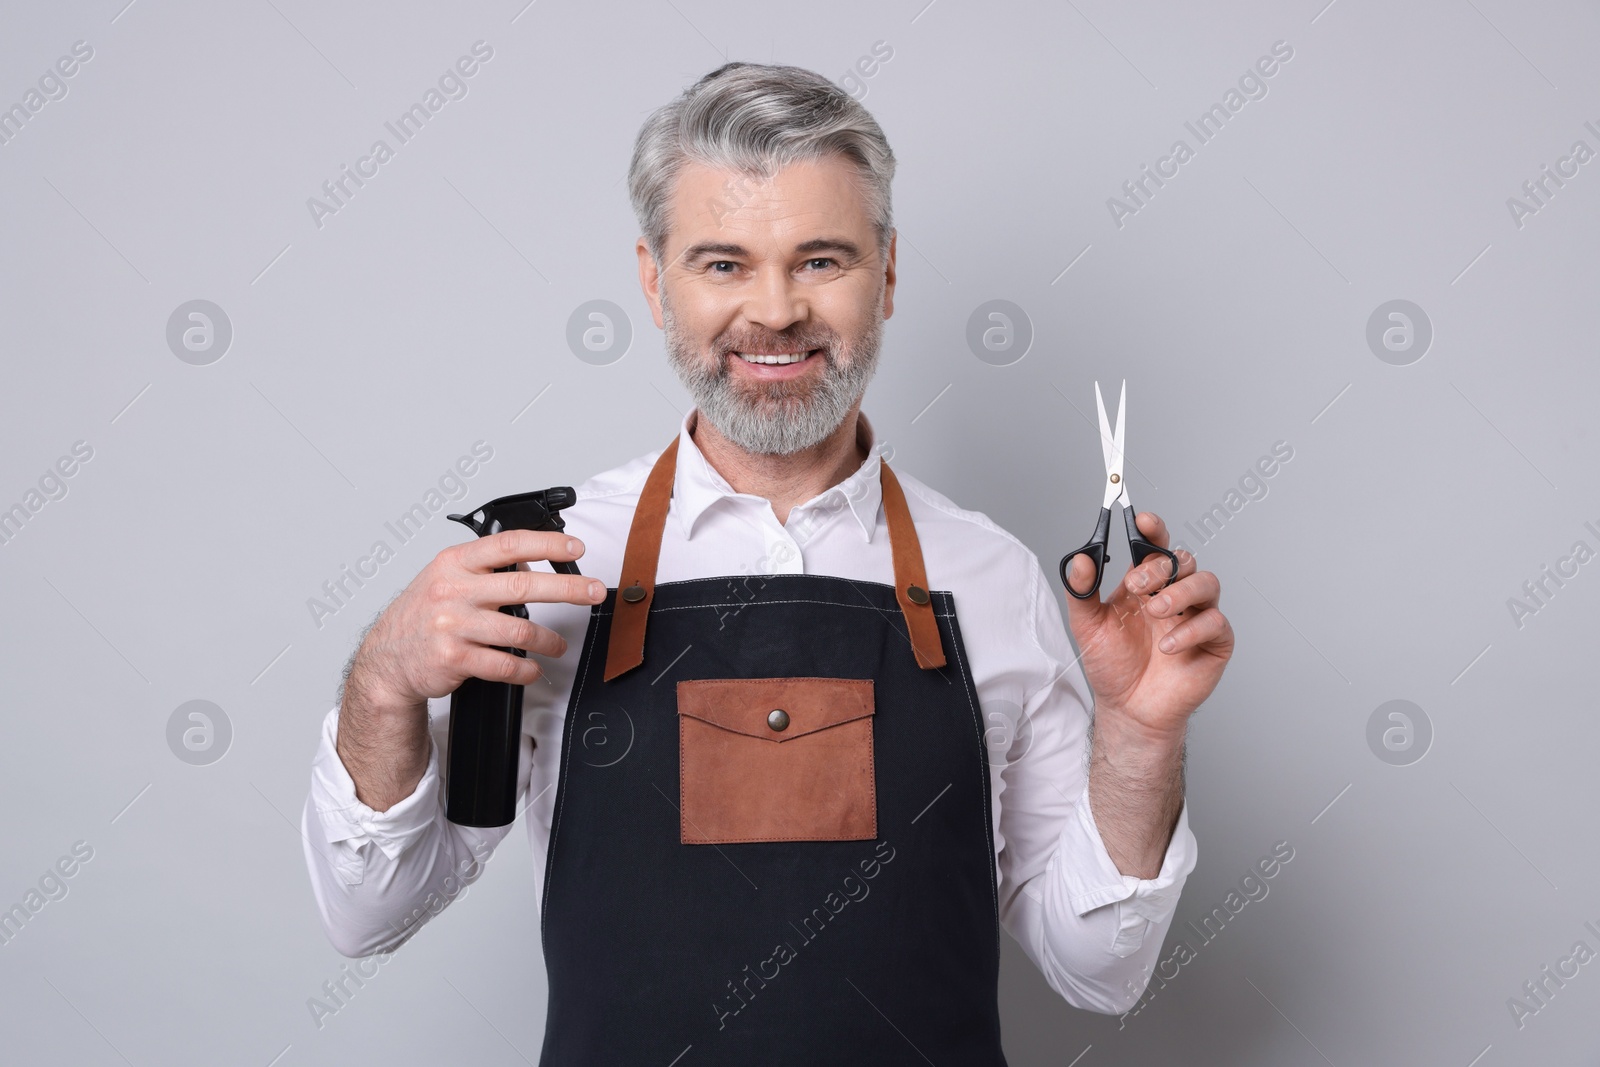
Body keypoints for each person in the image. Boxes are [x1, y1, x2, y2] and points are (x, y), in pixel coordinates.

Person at [300, 62, 1233, 1063]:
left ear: (886, 271)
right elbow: (369, 914)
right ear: (656, 281)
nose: (776, 310)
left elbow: (1098, 971)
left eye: (820, 259)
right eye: (723, 263)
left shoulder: (990, 575)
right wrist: (381, 683)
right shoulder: (548, 568)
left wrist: (1139, 734)